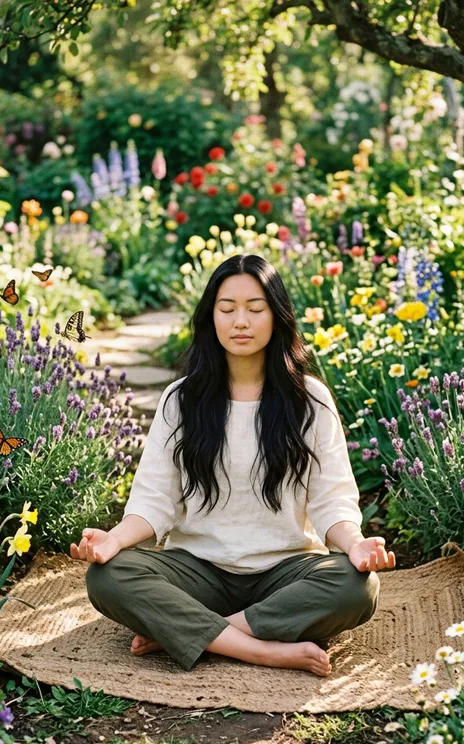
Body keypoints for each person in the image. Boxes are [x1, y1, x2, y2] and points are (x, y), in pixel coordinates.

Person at [69, 253, 395, 675]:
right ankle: (262, 648)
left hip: (286, 572)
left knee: (358, 586)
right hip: (198, 573)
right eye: (227, 309)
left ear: (277, 318)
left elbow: (332, 502)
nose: (241, 321)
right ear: (212, 318)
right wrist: (113, 540)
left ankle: (201, 633)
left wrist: (355, 546)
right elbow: (155, 501)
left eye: (255, 309)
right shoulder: (181, 400)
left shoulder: (309, 400)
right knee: (106, 577)